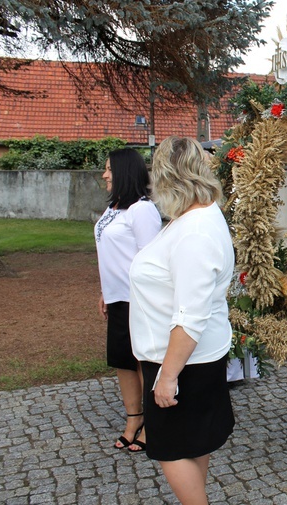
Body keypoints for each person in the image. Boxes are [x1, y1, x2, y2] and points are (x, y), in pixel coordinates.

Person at [129, 136, 235, 504]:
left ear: (166, 176)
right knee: (192, 444)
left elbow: (190, 316)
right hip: (190, 358)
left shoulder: (195, 230)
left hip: (180, 362)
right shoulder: (198, 214)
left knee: (173, 450)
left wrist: (167, 377)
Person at [96, 148, 161, 453]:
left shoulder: (142, 210)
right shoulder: (114, 209)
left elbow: (151, 260)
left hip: (138, 300)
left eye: (109, 169)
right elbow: (111, 256)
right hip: (118, 298)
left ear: (124, 172)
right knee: (123, 361)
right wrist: (105, 292)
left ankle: (153, 422)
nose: (104, 174)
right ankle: (133, 419)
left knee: (141, 362)